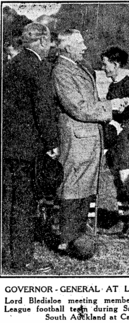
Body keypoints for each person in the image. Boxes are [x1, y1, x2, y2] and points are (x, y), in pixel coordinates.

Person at [53, 29, 129, 260]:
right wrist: (110, 107)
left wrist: (110, 103)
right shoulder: (62, 71)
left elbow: (90, 103)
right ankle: (67, 238)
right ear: (68, 48)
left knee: (84, 187)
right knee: (72, 186)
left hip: (87, 138)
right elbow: (78, 107)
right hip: (76, 139)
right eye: (81, 43)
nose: (85, 47)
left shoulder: (78, 67)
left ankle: (79, 234)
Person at [3, 22, 60, 272]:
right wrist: (52, 143)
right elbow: (44, 109)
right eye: (49, 42)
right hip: (28, 150)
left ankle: (9, 254)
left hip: (9, 147)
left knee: (10, 202)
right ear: (43, 41)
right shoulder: (38, 67)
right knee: (25, 205)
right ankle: (23, 259)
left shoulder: (12, 64)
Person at [100, 46, 129, 238]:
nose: (103, 68)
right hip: (114, 140)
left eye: (105, 63)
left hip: (126, 138)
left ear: (116, 64)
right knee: (117, 180)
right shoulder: (112, 87)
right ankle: (123, 220)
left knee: (127, 178)